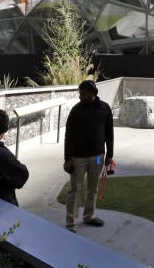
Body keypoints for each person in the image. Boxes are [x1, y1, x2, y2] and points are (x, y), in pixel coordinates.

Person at [64, 79, 114, 232]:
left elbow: (109, 133)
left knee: (93, 188)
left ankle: (89, 216)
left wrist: (109, 156)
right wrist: (67, 159)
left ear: (93, 93)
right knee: (74, 189)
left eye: (83, 94)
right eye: (80, 93)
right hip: (78, 157)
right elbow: (69, 135)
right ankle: (70, 223)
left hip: (98, 156)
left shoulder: (105, 109)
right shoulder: (76, 110)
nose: (80, 96)